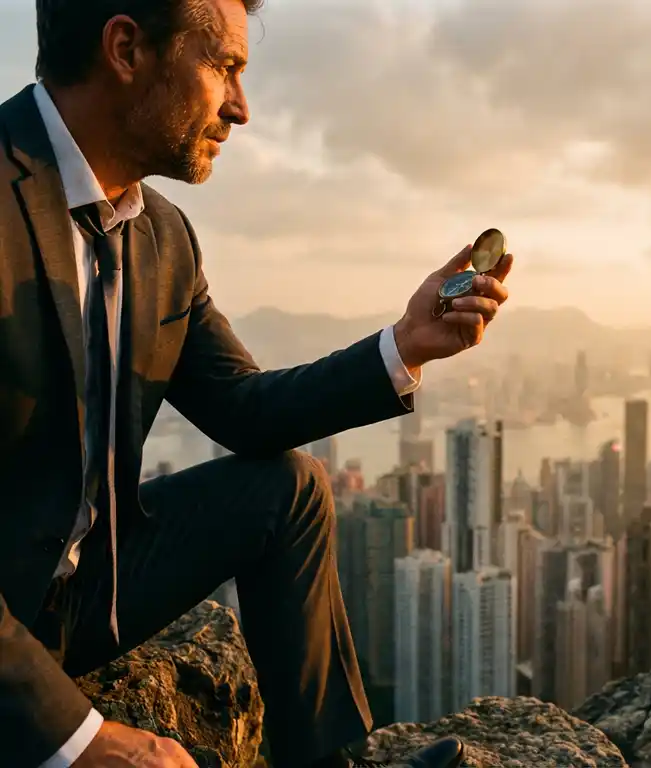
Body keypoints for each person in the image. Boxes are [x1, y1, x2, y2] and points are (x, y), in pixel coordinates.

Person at [0, 0, 513, 766]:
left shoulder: (161, 235)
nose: (242, 108)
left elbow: (242, 409)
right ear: (126, 47)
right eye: (226, 67)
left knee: (293, 492)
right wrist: (82, 738)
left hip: (84, 598)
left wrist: (406, 345)